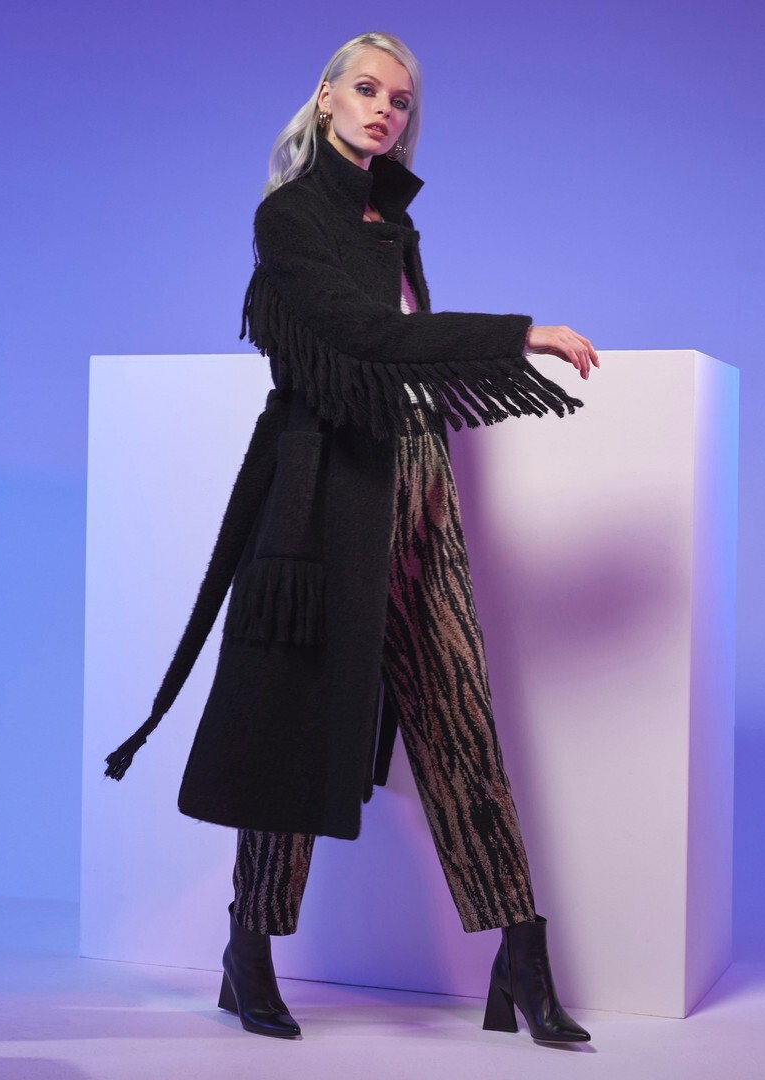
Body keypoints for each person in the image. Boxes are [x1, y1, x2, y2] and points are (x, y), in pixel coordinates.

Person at [106, 31, 598, 1046]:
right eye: (367, 90)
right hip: (326, 501)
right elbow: (366, 340)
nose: (384, 109)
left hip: (417, 487)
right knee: (297, 731)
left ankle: (521, 956)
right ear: (326, 96)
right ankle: (249, 951)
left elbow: (404, 362)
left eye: (400, 101)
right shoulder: (289, 218)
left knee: (461, 719)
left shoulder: (395, 226)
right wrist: (519, 333)